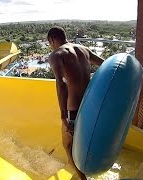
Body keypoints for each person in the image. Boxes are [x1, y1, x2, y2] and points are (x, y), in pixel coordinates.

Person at [47, 26, 104, 179]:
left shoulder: (56, 55)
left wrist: (63, 116)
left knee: (67, 145)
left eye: (50, 43)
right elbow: (104, 64)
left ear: (52, 40)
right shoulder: (83, 49)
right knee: (88, 139)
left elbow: (61, 84)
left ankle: (83, 178)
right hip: (91, 105)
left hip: (74, 111)